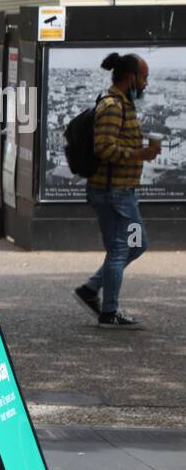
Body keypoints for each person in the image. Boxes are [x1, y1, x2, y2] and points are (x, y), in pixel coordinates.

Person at [73, 52, 160, 329]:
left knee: (135, 244)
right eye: (143, 76)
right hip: (114, 193)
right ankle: (109, 312)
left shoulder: (122, 103)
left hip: (122, 192)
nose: (146, 83)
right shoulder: (112, 106)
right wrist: (141, 154)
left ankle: (91, 289)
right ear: (131, 77)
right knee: (123, 247)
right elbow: (105, 147)